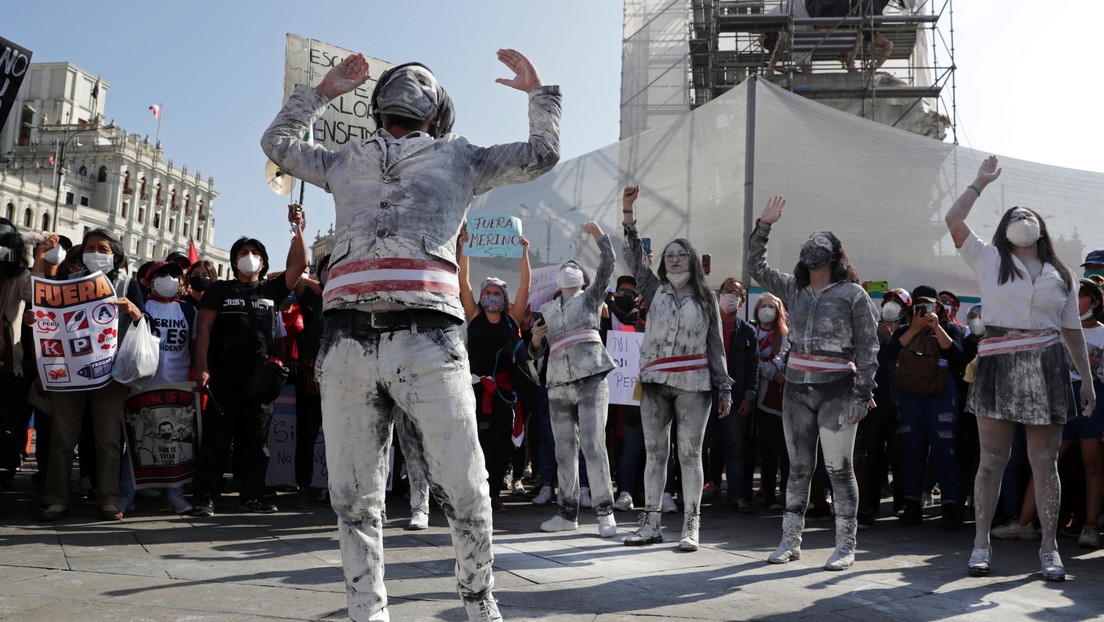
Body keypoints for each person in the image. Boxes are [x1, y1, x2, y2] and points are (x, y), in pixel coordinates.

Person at [261, 48, 561, 622]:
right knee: (353, 497)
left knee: (468, 485)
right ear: (379, 104)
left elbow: (543, 153)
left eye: (423, 82)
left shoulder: (461, 158)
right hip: (348, 339)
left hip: (430, 337)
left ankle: (479, 602)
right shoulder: (346, 157)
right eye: (402, 81)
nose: (411, 85)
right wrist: (321, 91)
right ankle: (366, 612)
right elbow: (276, 145)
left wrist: (537, 93)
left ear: (439, 110)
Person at [945, 155, 1094, 582]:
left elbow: (1072, 332)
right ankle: (980, 545)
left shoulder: (1062, 275)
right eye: (1014, 216)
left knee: (1044, 463)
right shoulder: (987, 258)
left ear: (1041, 227)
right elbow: (953, 218)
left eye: (1029, 216)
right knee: (991, 460)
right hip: (997, 364)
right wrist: (980, 183)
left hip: (1047, 367)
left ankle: (1049, 549)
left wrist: (1085, 379)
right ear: (1004, 228)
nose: (1022, 219)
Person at [748, 195, 879, 571]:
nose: (812, 248)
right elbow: (756, 265)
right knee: (799, 468)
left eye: (821, 244)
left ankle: (845, 545)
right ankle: (790, 541)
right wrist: (765, 225)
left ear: (835, 255)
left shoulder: (853, 294)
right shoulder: (793, 290)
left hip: (838, 388)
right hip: (796, 390)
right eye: (809, 242)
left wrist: (862, 394)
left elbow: (869, 347)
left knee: (839, 468)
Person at [620, 185, 733, 552]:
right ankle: (650, 524)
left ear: (693, 260)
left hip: (694, 384)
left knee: (689, 454)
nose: (673, 260)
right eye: (668, 256)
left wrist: (724, 387)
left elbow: (716, 346)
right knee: (654, 453)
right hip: (654, 381)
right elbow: (635, 258)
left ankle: (690, 526)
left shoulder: (706, 298)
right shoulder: (653, 290)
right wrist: (628, 213)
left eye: (680, 255)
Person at [192, 208, 307, 516]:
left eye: (255, 252)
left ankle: (252, 496)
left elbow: (299, 264)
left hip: (259, 382)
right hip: (223, 377)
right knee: (217, 440)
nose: (249, 256)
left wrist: (297, 229)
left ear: (263, 261)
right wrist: (202, 366)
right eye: (243, 252)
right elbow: (203, 329)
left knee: (256, 443)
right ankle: (206, 497)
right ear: (234, 261)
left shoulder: (272, 290)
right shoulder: (219, 289)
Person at [37, 229, 146, 522]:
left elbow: (146, 325)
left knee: (108, 440)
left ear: (116, 255)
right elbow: (46, 311)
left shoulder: (129, 285)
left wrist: (134, 311)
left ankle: (108, 499)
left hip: (110, 376)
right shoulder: (66, 282)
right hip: (70, 374)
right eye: (90, 247)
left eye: (103, 248)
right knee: (62, 440)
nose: (96, 252)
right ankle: (56, 499)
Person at [989, 279, 1104, 550]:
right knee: (1044, 461)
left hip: (1093, 401)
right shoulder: (1057, 330)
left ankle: (1090, 527)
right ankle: (1024, 524)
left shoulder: (1102, 334)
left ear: (1095, 302)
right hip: (1059, 400)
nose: (1072, 303)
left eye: (1080, 297)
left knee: (1092, 464)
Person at [529, 221, 618, 537]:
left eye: (573, 267)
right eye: (564, 267)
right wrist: (537, 340)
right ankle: (567, 512)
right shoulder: (545, 309)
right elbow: (533, 352)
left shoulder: (592, 297)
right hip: (557, 383)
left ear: (581, 276)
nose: (567, 269)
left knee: (594, 445)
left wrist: (599, 237)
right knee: (563, 449)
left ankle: (605, 511)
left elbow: (608, 265)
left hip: (591, 377)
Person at [458, 231, 533, 514]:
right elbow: (462, 281)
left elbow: (526, 285)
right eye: (487, 293)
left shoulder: (511, 319)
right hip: (475, 390)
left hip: (503, 394)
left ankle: (494, 496)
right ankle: (473, 494)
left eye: (497, 293)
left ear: (505, 298)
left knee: (501, 444)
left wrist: (524, 253)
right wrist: (464, 250)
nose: (491, 297)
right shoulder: (474, 316)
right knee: (474, 441)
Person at [117, 261, 197, 515]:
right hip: (143, 386)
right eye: (162, 274)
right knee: (136, 441)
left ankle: (175, 495)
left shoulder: (188, 312)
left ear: (182, 283)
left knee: (177, 444)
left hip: (178, 386)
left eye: (175, 275)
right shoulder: (142, 307)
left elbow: (194, 347)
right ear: (149, 282)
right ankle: (127, 494)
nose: (169, 279)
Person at [886, 285, 964, 530]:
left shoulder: (949, 329)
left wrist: (936, 326)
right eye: (920, 307)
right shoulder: (903, 330)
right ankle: (911, 505)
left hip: (941, 397)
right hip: (911, 399)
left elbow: (957, 356)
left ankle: (951, 506)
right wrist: (915, 328)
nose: (925, 311)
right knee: (912, 451)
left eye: (931, 307)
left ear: (939, 308)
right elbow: (891, 353)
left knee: (945, 451)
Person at [708, 277, 758, 512]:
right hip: (705, 396)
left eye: (735, 293)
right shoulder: (707, 325)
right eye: (726, 291)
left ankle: (736, 495)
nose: (730, 296)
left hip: (736, 399)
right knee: (700, 445)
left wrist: (749, 396)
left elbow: (753, 367)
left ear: (742, 301)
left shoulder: (748, 331)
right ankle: (703, 489)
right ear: (719, 295)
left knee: (736, 447)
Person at [751, 293, 790, 511]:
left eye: (771, 306)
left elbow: (781, 361)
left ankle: (785, 492)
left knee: (784, 450)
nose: (767, 310)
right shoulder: (752, 332)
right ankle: (767, 493)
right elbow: (755, 363)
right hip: (761, 398)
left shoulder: (784, 334)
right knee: (767, 450)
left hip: (782, 399)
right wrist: (770, 370)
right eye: (763, 306)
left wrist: (770, 368)